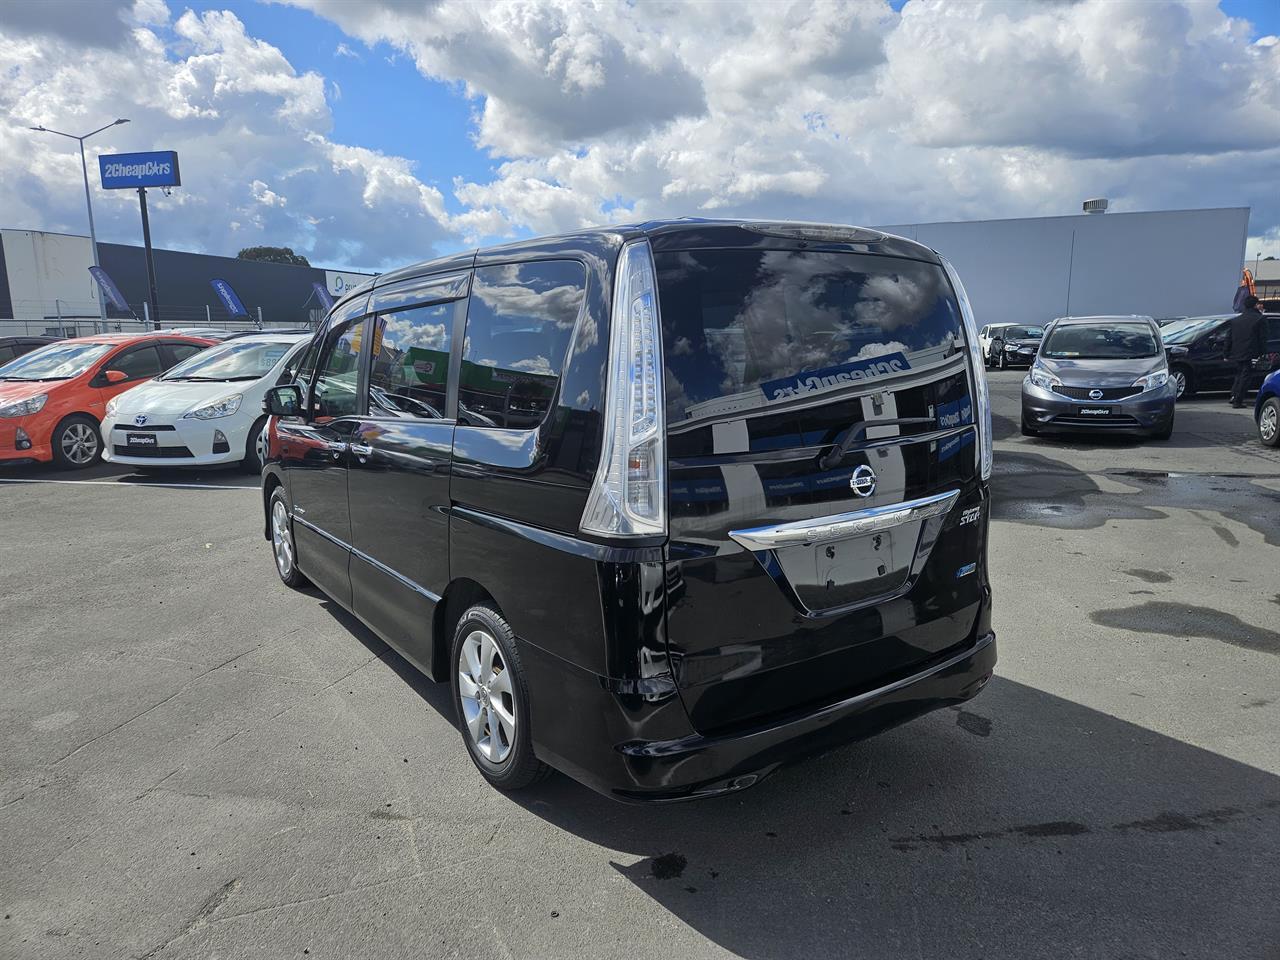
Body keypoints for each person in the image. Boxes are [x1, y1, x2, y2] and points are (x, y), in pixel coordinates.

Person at [1225, 294, 1266, 408]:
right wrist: (1263, 353)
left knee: (1239, 375)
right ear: (1255, 305)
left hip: (1237, 352)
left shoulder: (1236, 320)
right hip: (1251, 352)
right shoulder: (1260, 319)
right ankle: (1238, 400)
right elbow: (1263, 338)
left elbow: (1229, 338)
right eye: (1258, 304)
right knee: (1245, 376)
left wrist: (1226, 353)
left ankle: (1234, 396)